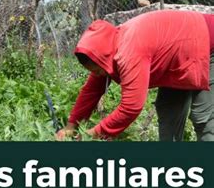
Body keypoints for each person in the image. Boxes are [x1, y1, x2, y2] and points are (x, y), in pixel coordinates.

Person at [56, 10, 214, 142]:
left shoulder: (129, 53)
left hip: (207, 43)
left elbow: (131, 108)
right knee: (169, 114)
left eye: (97, 70)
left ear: (103, 57)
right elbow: (91, 91)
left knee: (204, 118)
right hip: (179, 57)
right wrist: (70, 127)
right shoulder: (107, 48)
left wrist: (91, 134)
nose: (97, 75)